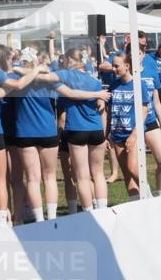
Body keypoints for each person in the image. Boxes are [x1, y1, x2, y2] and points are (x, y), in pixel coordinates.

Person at [37, 49, 111, 212]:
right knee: (98, 173)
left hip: (77, 129)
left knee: (82, 176)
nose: (61, 63)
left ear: (70, 60)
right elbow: (101, 106)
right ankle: (102, 210)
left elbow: (63, 111)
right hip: (96, 128)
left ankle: (88, 212)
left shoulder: (67, 77)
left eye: (63, 60)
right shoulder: (95, 81)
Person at [107, 54, 154, 199]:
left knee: (133, 168)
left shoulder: (139, 84)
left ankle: (149, 197)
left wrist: (134, 135)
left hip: (133, 133)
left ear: (127, 66)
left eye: (117, 66)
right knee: (127, 174)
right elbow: (110, 110)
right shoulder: (113, 85)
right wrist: (107, 134)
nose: (113, 69)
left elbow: (145, 110)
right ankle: (136, 204)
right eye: (113, 66)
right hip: (117, 134)